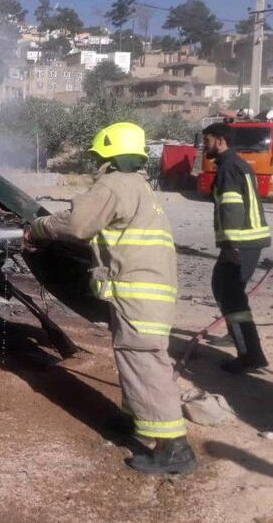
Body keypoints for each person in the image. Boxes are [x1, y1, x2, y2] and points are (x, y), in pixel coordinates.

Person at [26, 122, 197, 475]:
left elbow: (78, 224)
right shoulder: (139, 186)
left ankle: (174, 450)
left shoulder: (115, 183)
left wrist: (37, 227)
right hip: (147, 290)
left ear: (108, 155)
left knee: (144, 359)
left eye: (98, 157)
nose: (96, 165)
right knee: (137, 358)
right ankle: (142, 420)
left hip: (139, 292)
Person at [202, 122, 270, 373]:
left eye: (207, 140)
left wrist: (230, 245)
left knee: (232, 297)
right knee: (223, 286)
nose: (204, 145)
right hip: (247, 240)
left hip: (242, 241)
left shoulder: (229, 168)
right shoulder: (235, 164)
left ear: (220, 141)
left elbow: (232, 208)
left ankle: (250, 355)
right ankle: (237, 335)